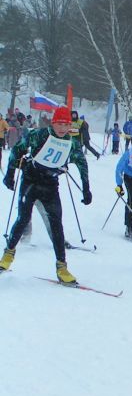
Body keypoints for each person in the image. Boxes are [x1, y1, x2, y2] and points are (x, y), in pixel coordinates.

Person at [0, 106, 91, 284]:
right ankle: (8, 255)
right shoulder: (39, 135)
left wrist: (86, 188)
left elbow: (82, 163)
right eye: (59, 124)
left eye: (66, 124)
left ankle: (62, 267)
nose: (63, 128)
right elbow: (17, 149)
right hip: (31, 182)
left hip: (50, 185)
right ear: (53, 122)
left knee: (56, 224)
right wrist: (10, 174)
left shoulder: (72, 142)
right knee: (23, 218)